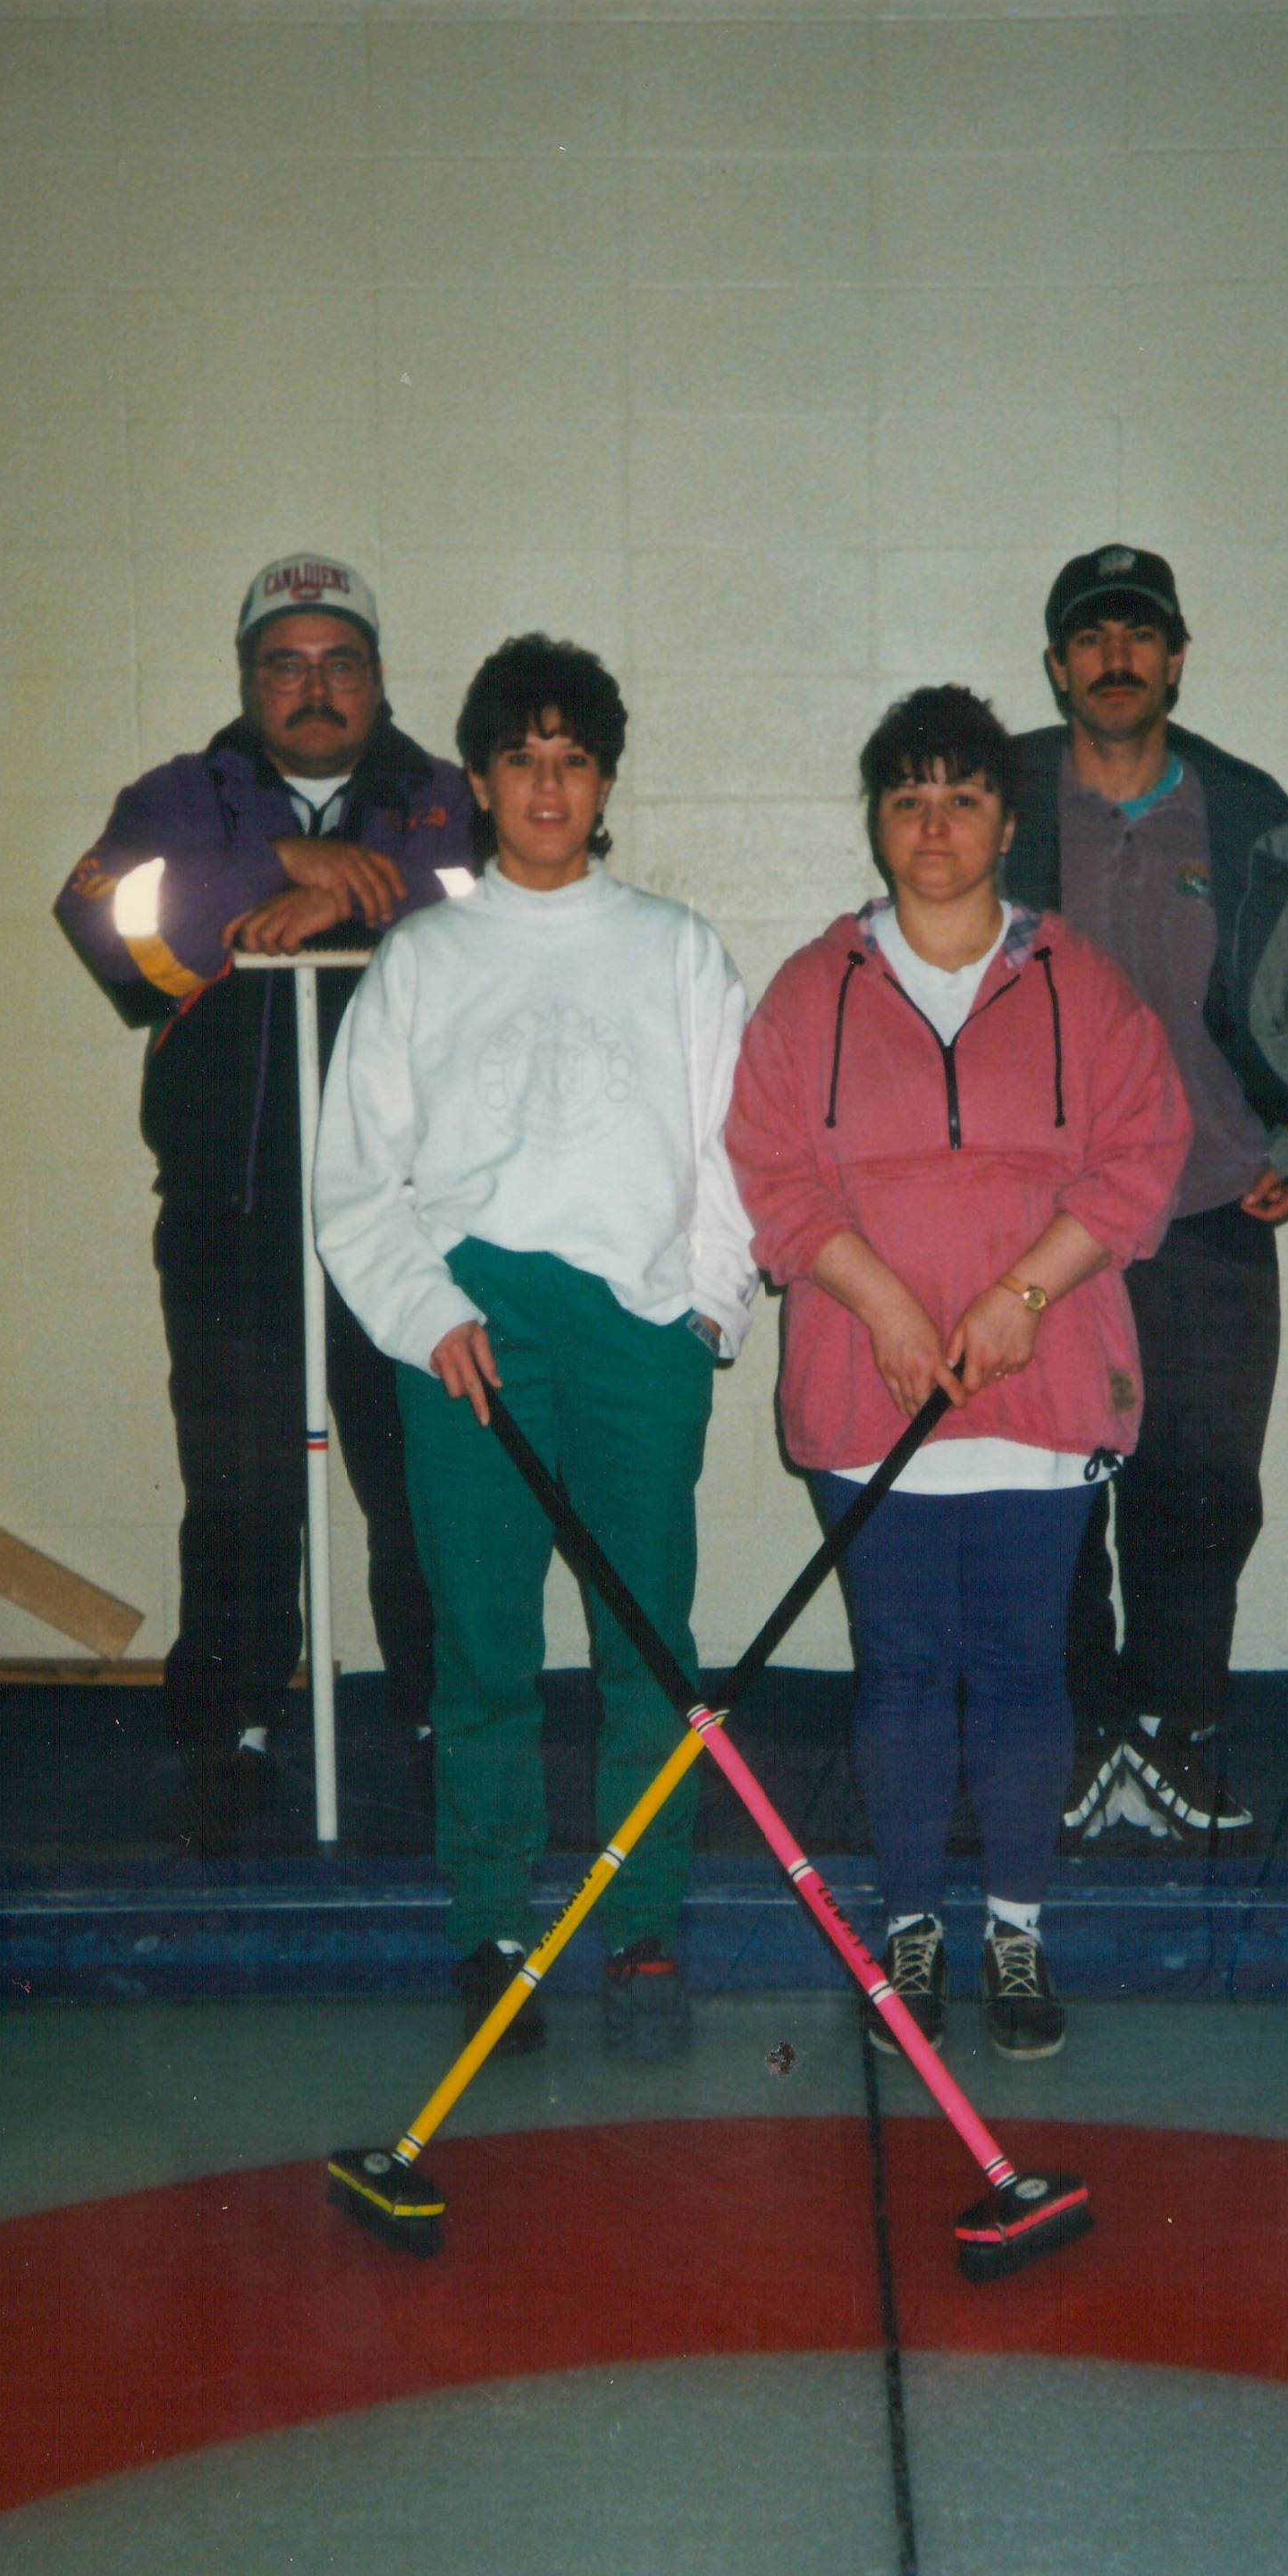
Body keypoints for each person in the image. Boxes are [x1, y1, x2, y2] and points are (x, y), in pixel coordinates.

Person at [727, 686, 1189, 2059]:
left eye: (964, 798)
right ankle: (913, 1930)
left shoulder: (1081, 982)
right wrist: (877, 1305)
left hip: (1037, 1394)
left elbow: (1140, 1159)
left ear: (1003, 824)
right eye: (908, 797)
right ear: (877, 818)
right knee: (907, 1670)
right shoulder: (813, 990)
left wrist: (1020, 1297)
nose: (935, 825)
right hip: (874, 1392)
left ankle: (1020, 1937)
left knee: (1023, 1666)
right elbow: (771, 1175)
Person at [314, 633, 756, 2063]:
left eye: (573, 759)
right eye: (522, 759)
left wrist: (703, 1316)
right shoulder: (426, 958)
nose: (548, 784)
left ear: (605, 776)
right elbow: (356, 1181)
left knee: (648, 1645)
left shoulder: (677, 951)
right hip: (471, 1337)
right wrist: (430, 1315)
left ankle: (642, 1931)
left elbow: (729, 1159)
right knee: (487, 1649)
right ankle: (492, 1932)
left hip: (633, 1333)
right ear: (484, 782)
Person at [55, 552, 472, 1852]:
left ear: (379, 676)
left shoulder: (443, 795)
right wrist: (270, 868)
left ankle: (440, 1722)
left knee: (422, 1487)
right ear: (248, 678)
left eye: (339, 661)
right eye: (284, 664)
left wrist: (314, 880)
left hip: (406, 1221)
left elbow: (458, 901)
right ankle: (232, 1734)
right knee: (238, 1488)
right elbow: (110, 926)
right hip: (233, 1218)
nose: (313, 687)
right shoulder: (176, 796)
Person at [1005, 545, 1288, 1848]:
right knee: (1046, 1496)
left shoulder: (1253, 822)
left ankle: (1177, 1742)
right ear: (1058, 662)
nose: (1116, 657)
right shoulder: (996, 800)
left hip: (1206, 1225)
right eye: (1092, 637)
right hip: (1046, 1235)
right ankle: (1071, 1747)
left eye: (1141, 636)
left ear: (1175, 658)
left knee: (1198, 1497)